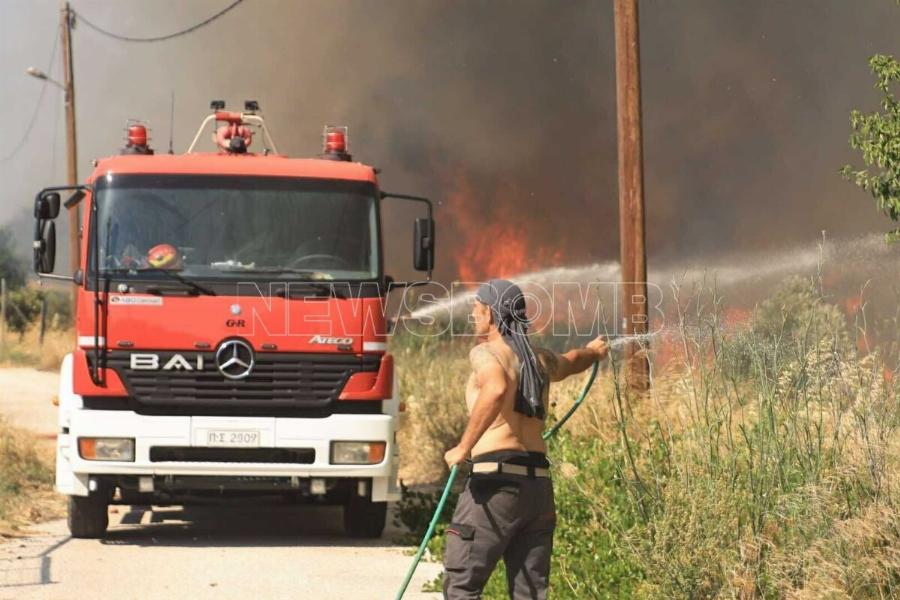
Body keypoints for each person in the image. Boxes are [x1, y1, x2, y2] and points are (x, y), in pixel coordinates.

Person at [442, 279, 608, 600]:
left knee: (462, 586)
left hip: (495, 485)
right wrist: (594, 351)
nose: (473, 317)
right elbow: (573, 360)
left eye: (476, 310)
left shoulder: (486, 353)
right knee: (529, 593)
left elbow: (496, 388)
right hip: (537, 490)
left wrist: (463, 447)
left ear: (490, 314)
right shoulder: (539, 360)